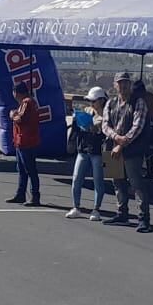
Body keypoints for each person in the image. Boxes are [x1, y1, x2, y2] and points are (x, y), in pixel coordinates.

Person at [103, 70, 152, 231]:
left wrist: (122, 143)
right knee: (117, 182)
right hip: (112, 148)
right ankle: (122, 213)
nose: (123, 85)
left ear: (130, 84)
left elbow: (138, 126)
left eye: (125, 82)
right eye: (120, 83)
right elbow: (105, 125)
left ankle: (143, 218)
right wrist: (116, 137)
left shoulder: (138, 102)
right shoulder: (110, 103)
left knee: (136, 183)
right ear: (115, 85)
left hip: (132, 150)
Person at [64, 86, 108, 220]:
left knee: (98, 181)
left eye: (93, 101)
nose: (91, 103)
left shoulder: (107, 115)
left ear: (101, 100)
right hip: (83, 149)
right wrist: (77, 121)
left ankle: (96, 209)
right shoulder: (87, 111)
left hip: (98, 151)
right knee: (76, 178)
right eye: (90, 101)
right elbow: (78, 129)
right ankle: (76, 207)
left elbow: (108, 132)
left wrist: (98, 128)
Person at [6, 80, 42, 206]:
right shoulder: (27, 103)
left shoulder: (27, 103)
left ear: (16, 92)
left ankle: (35, 196)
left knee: (30, 169)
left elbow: (21, 118)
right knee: (22, 169)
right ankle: (20, 194)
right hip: (21, 141)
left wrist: (12, 115)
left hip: (26, 142)